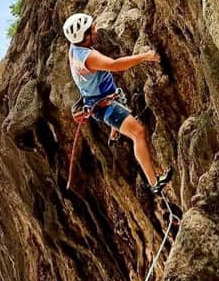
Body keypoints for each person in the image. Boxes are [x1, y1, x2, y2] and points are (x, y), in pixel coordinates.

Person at [63, 12, 173, 194]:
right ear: (86, 36)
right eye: (92, 29)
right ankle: (154, 182)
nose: (96, 30)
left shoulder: (74, 49)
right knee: (138, 132)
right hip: (106, 107)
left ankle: (115, 132)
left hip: (101, 101)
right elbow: (115, 65)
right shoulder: (88, 58)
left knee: (125, 117)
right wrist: (145, 56)